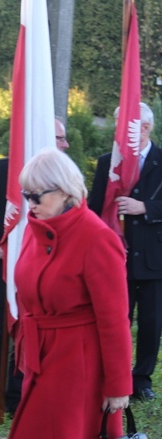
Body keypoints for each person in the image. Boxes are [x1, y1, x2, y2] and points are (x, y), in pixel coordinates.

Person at [9, 149, 132, 438]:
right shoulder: (36, 227)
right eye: (26, 194)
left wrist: (118, 386)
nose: (30, 203)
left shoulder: (97, 237)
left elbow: (114, 320)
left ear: (65, 192)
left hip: (79, 363)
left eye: (37, 195)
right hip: (41, 355)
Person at [0, 118, 69, 416]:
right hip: (3, 274)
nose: (65, 144)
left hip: (41, 274)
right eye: (60, 138)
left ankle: (16, 402)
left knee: (30, 339)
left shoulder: (61, 179)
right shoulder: (2, 171)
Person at [88, 102, 162, 402]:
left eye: (124, 124)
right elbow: (94, 208)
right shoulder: (108, 162)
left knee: (151, 321)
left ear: (144, 128)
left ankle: (142, 379)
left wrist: (145, 208)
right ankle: (112, 375)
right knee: (117, 318)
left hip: (155, 258)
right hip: (116, 256)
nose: (117, 130)